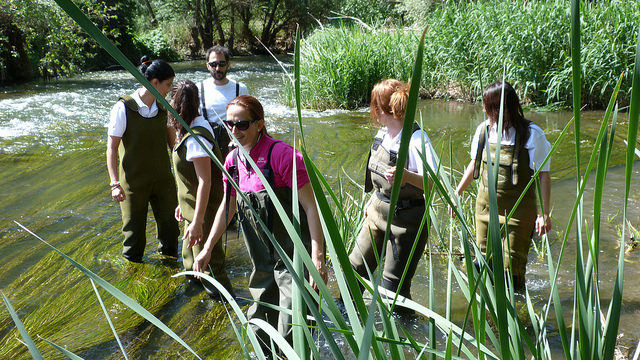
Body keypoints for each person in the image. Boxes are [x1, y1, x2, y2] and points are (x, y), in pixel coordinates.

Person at [192, 95, 328, 351]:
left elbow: (311, 207)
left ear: (259, 124)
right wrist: (208, 248)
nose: (234, 130)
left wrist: (317, 259)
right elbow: (228, 207)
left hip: (293, 263)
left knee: (292, 332)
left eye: (242, 124)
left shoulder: (284, 156)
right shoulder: (232, 162)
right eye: (229, 124)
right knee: (258, 330)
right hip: (262, 266)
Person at [453, 80, 552, 289]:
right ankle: (488, 315)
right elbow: (475, 164)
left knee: (511, 272)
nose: (484, 110)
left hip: (518, 214)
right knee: (483, 264)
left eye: (488, 106)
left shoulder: (532, 134)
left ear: (503, 107)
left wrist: (543, 214)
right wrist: (457, 193)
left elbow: (543, 174)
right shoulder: (483, 131)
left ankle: (517, 316)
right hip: (485, 210)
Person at [348, 79, 438, 301]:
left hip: (406, 222)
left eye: (373, 105)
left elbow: (434, 184)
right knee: (354, 269)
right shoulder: (382, 134)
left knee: (393, 291)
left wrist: (406, 176)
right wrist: (372, 200)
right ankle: (347, 321)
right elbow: (378, 180)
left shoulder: (417, 139)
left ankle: (402, 330)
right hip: (376, 214)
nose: (372, 110)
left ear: (381, 108)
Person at [106, 56, 179, 263]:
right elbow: (111, 149)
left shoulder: (164, 108)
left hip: (164, 182)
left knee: (171, 231)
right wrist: (114, 184)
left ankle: (170, 271)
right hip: (133, 185)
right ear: (154, 82)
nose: (170, 90)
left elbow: (173, 145)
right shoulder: (123, 108)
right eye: (168, 84)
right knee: (133, 238)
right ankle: (133, 275)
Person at [169, 80, 234, 297]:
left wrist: (197, 223)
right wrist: (182, 203)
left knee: (211, 268)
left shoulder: (196, 136)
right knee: (192, 266)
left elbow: (205, 181)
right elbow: (191, 179)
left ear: (173, 104)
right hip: (193, 210)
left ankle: (226, 309)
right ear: (198, 102)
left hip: (204, 213)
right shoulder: (190, 127)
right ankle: (200, 306)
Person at [197, 45, 249, 159]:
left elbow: (249, 119)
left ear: (228, 64)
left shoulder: (240, 88)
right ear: (207, 65)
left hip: (235, 145)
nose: (217, 68)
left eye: (222, 64)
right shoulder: (199, 89)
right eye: (213, 64)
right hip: (208, 145)